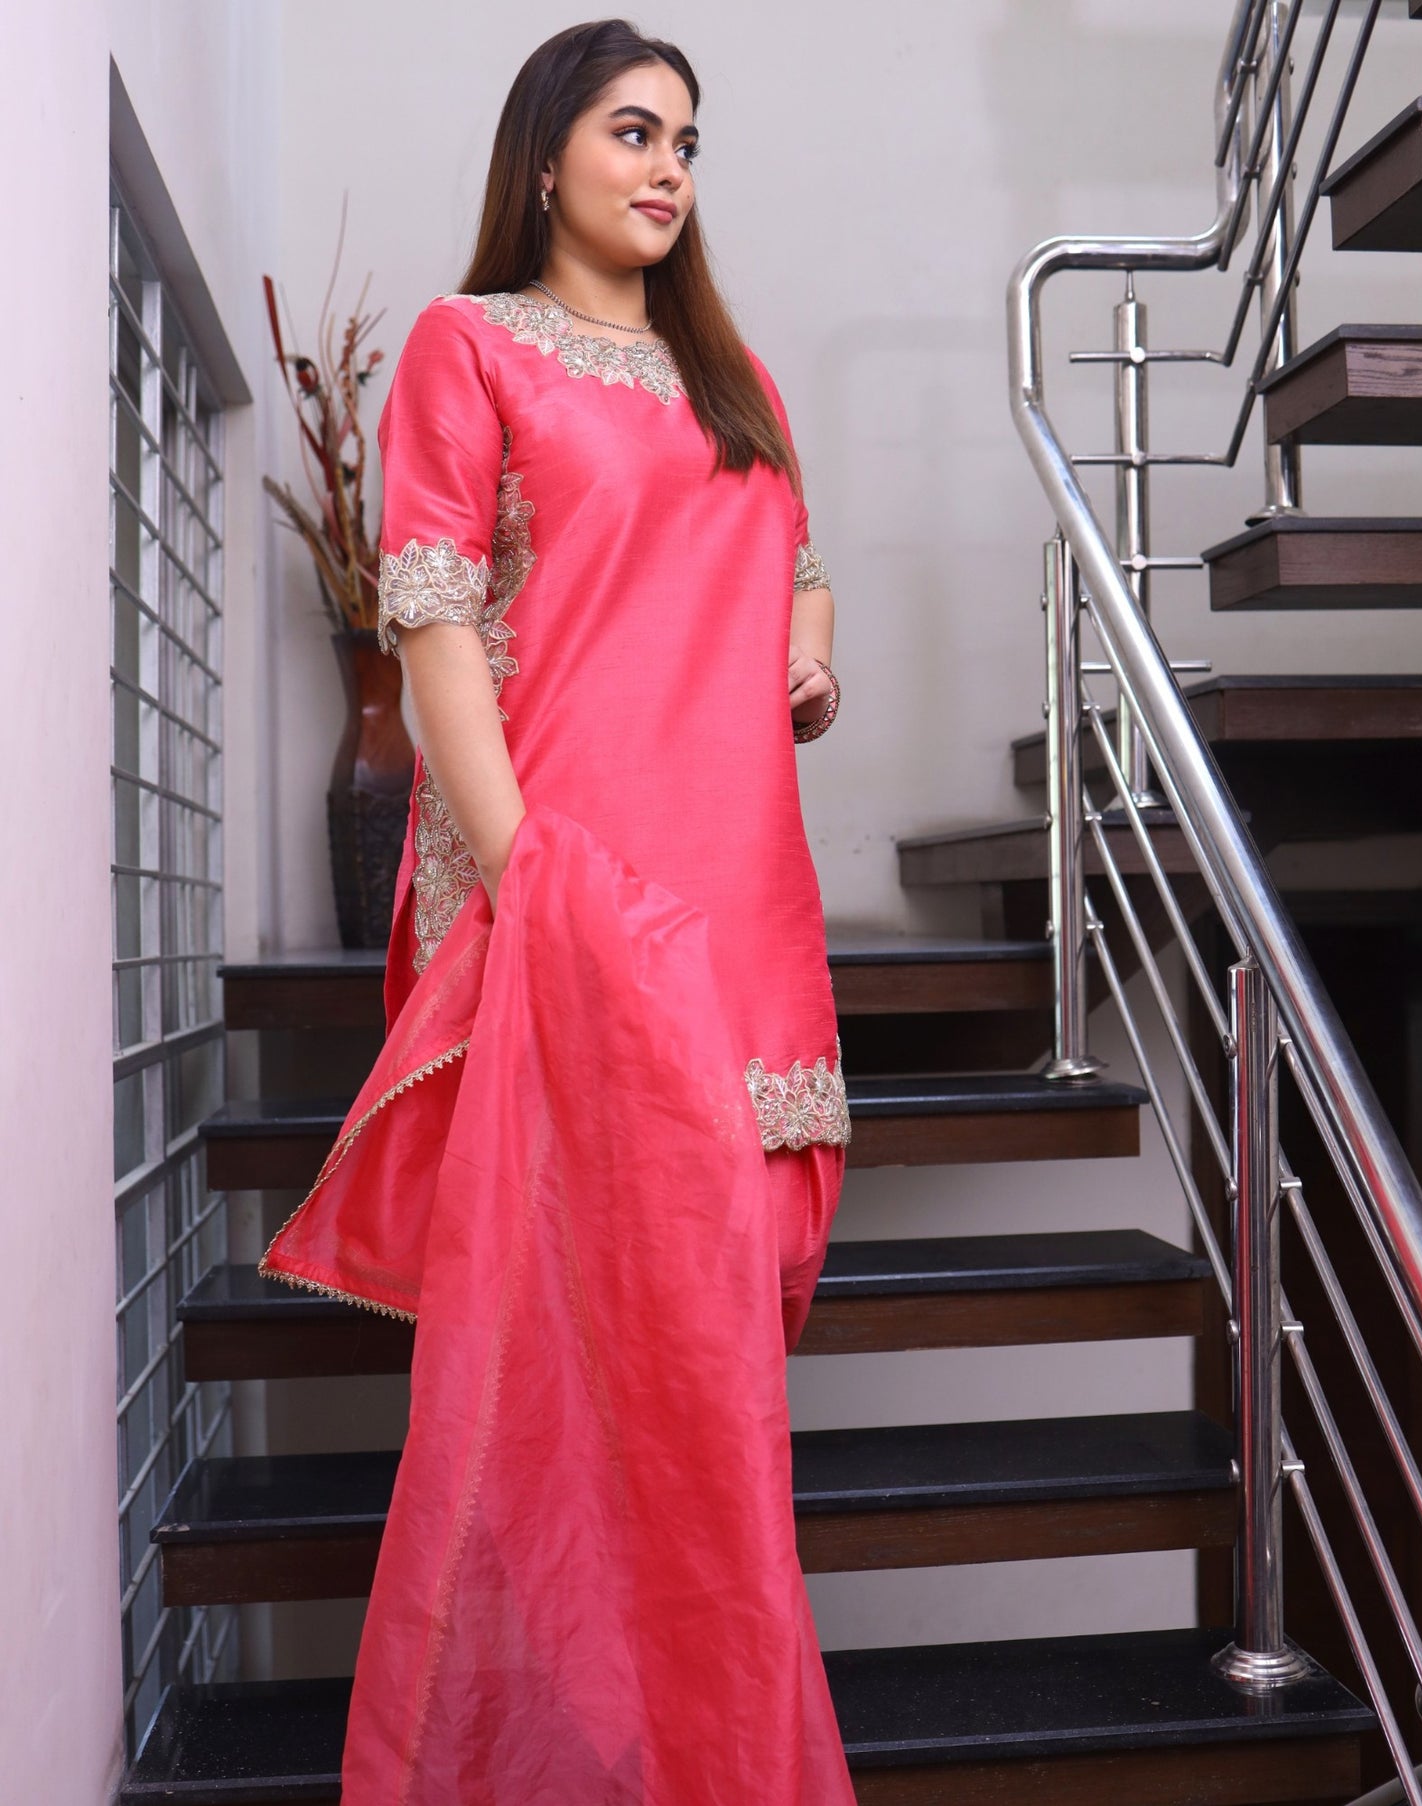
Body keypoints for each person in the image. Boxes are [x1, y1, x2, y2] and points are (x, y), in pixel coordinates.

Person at [260, 17, 855, 1802]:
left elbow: (795, 555)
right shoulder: (466, 347)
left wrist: (807, 658)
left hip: (746, 883)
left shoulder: (720, 363)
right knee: (582, 1363)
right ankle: (573, 1757)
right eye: (630, 130)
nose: (668, 164)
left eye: (686, 138)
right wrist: (525, 877)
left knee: (726, 1336)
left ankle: (687, 1745)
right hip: (581, 886)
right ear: (546, 160)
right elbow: (429, 617)